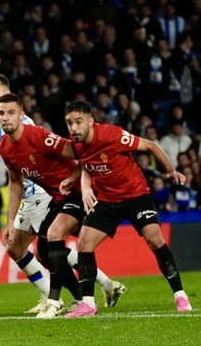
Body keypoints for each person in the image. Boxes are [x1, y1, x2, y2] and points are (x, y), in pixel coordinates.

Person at [0, 73, 124, 311]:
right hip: (26, 194)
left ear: (8, 93)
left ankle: (63, 298)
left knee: (39, 249)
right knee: (31, 250)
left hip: (41, 191)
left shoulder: (24, 125)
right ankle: (102, 285)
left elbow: (55, 154)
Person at [62, 100, 192, 316]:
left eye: (78, 122)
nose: (74, 128)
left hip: (135, 196)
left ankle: (180, 295)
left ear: (90, 121)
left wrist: (170, 171)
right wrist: (83, 187)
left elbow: (150, 145)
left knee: (154, 239)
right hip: (106, 199)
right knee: (84, 242)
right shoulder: (76, 144)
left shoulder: (112, 135)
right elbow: (85, 164)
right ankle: (87, 303)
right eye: (69, 123)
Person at [0, 93, 94, 318]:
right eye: (1, 113)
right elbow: (15, 182)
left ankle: (54, 301)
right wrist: (10, 222)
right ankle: (80, 298)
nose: (5, 118)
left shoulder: (38, 136)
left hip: (79, 193)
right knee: (44, 254)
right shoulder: (5, 147)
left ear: (22, 115)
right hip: (59, 198)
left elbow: (80, 152)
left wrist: (80, 180)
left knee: (54, 236)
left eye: (11, 112)